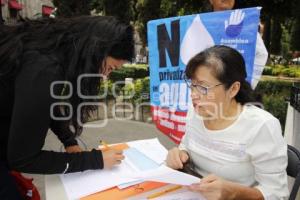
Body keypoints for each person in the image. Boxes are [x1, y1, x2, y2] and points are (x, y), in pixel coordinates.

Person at [0, 16, 134, 199]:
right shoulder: (43, 67)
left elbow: (43, 102)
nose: (105, 77)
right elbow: (23, 158)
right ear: (95, 52)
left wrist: (69, 141)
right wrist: (96, 160)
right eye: (110, 68)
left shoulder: (54, 48)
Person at [166, 46, 289, 199]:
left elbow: (278, 194)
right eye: (192, 85)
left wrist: (234, 193)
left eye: (203, 87)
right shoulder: (196, 112)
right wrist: (180, 154)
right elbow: (187, 145)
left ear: (233, 89)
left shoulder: (261, 126)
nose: (193, 95)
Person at [207, 0, 268, 89]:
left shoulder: (245, 25)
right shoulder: (198, 23)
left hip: (231, 95)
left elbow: (261, 54)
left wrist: (246, 86)